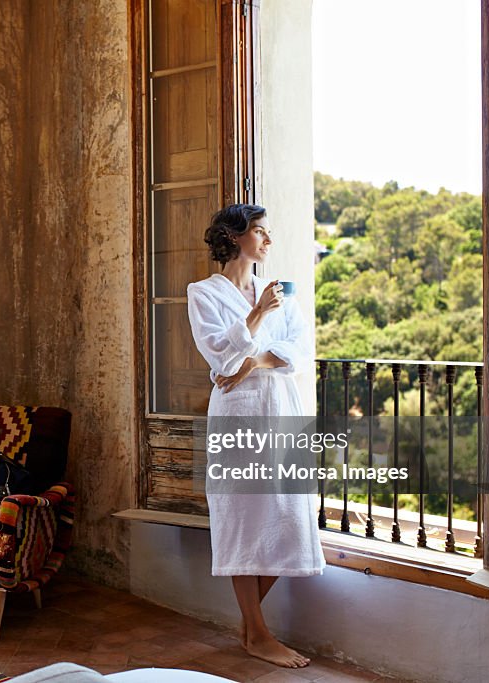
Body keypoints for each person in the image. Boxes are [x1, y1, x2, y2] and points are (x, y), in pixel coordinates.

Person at [186, 204, 324, 669]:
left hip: (282, 409)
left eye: (268, 232)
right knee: (243, 517)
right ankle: (259, 633)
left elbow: (302, 351)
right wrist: (258, 316)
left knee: (290, 514)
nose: (267, 240)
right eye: (259, 232)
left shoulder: (281, 288)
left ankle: (250, 627)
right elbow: (219, 357)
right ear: (233, 236)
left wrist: (258, 362)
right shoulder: (203, 292)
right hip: (238, 416)